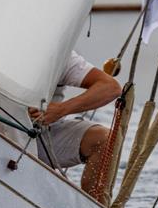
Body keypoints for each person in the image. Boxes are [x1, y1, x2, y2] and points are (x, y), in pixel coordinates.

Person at [28, 51, 122, 196]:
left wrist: (60, 110)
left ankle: (92, 205)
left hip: (39, 135)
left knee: (105, 139)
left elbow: (111, 88)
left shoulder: (59, 55)